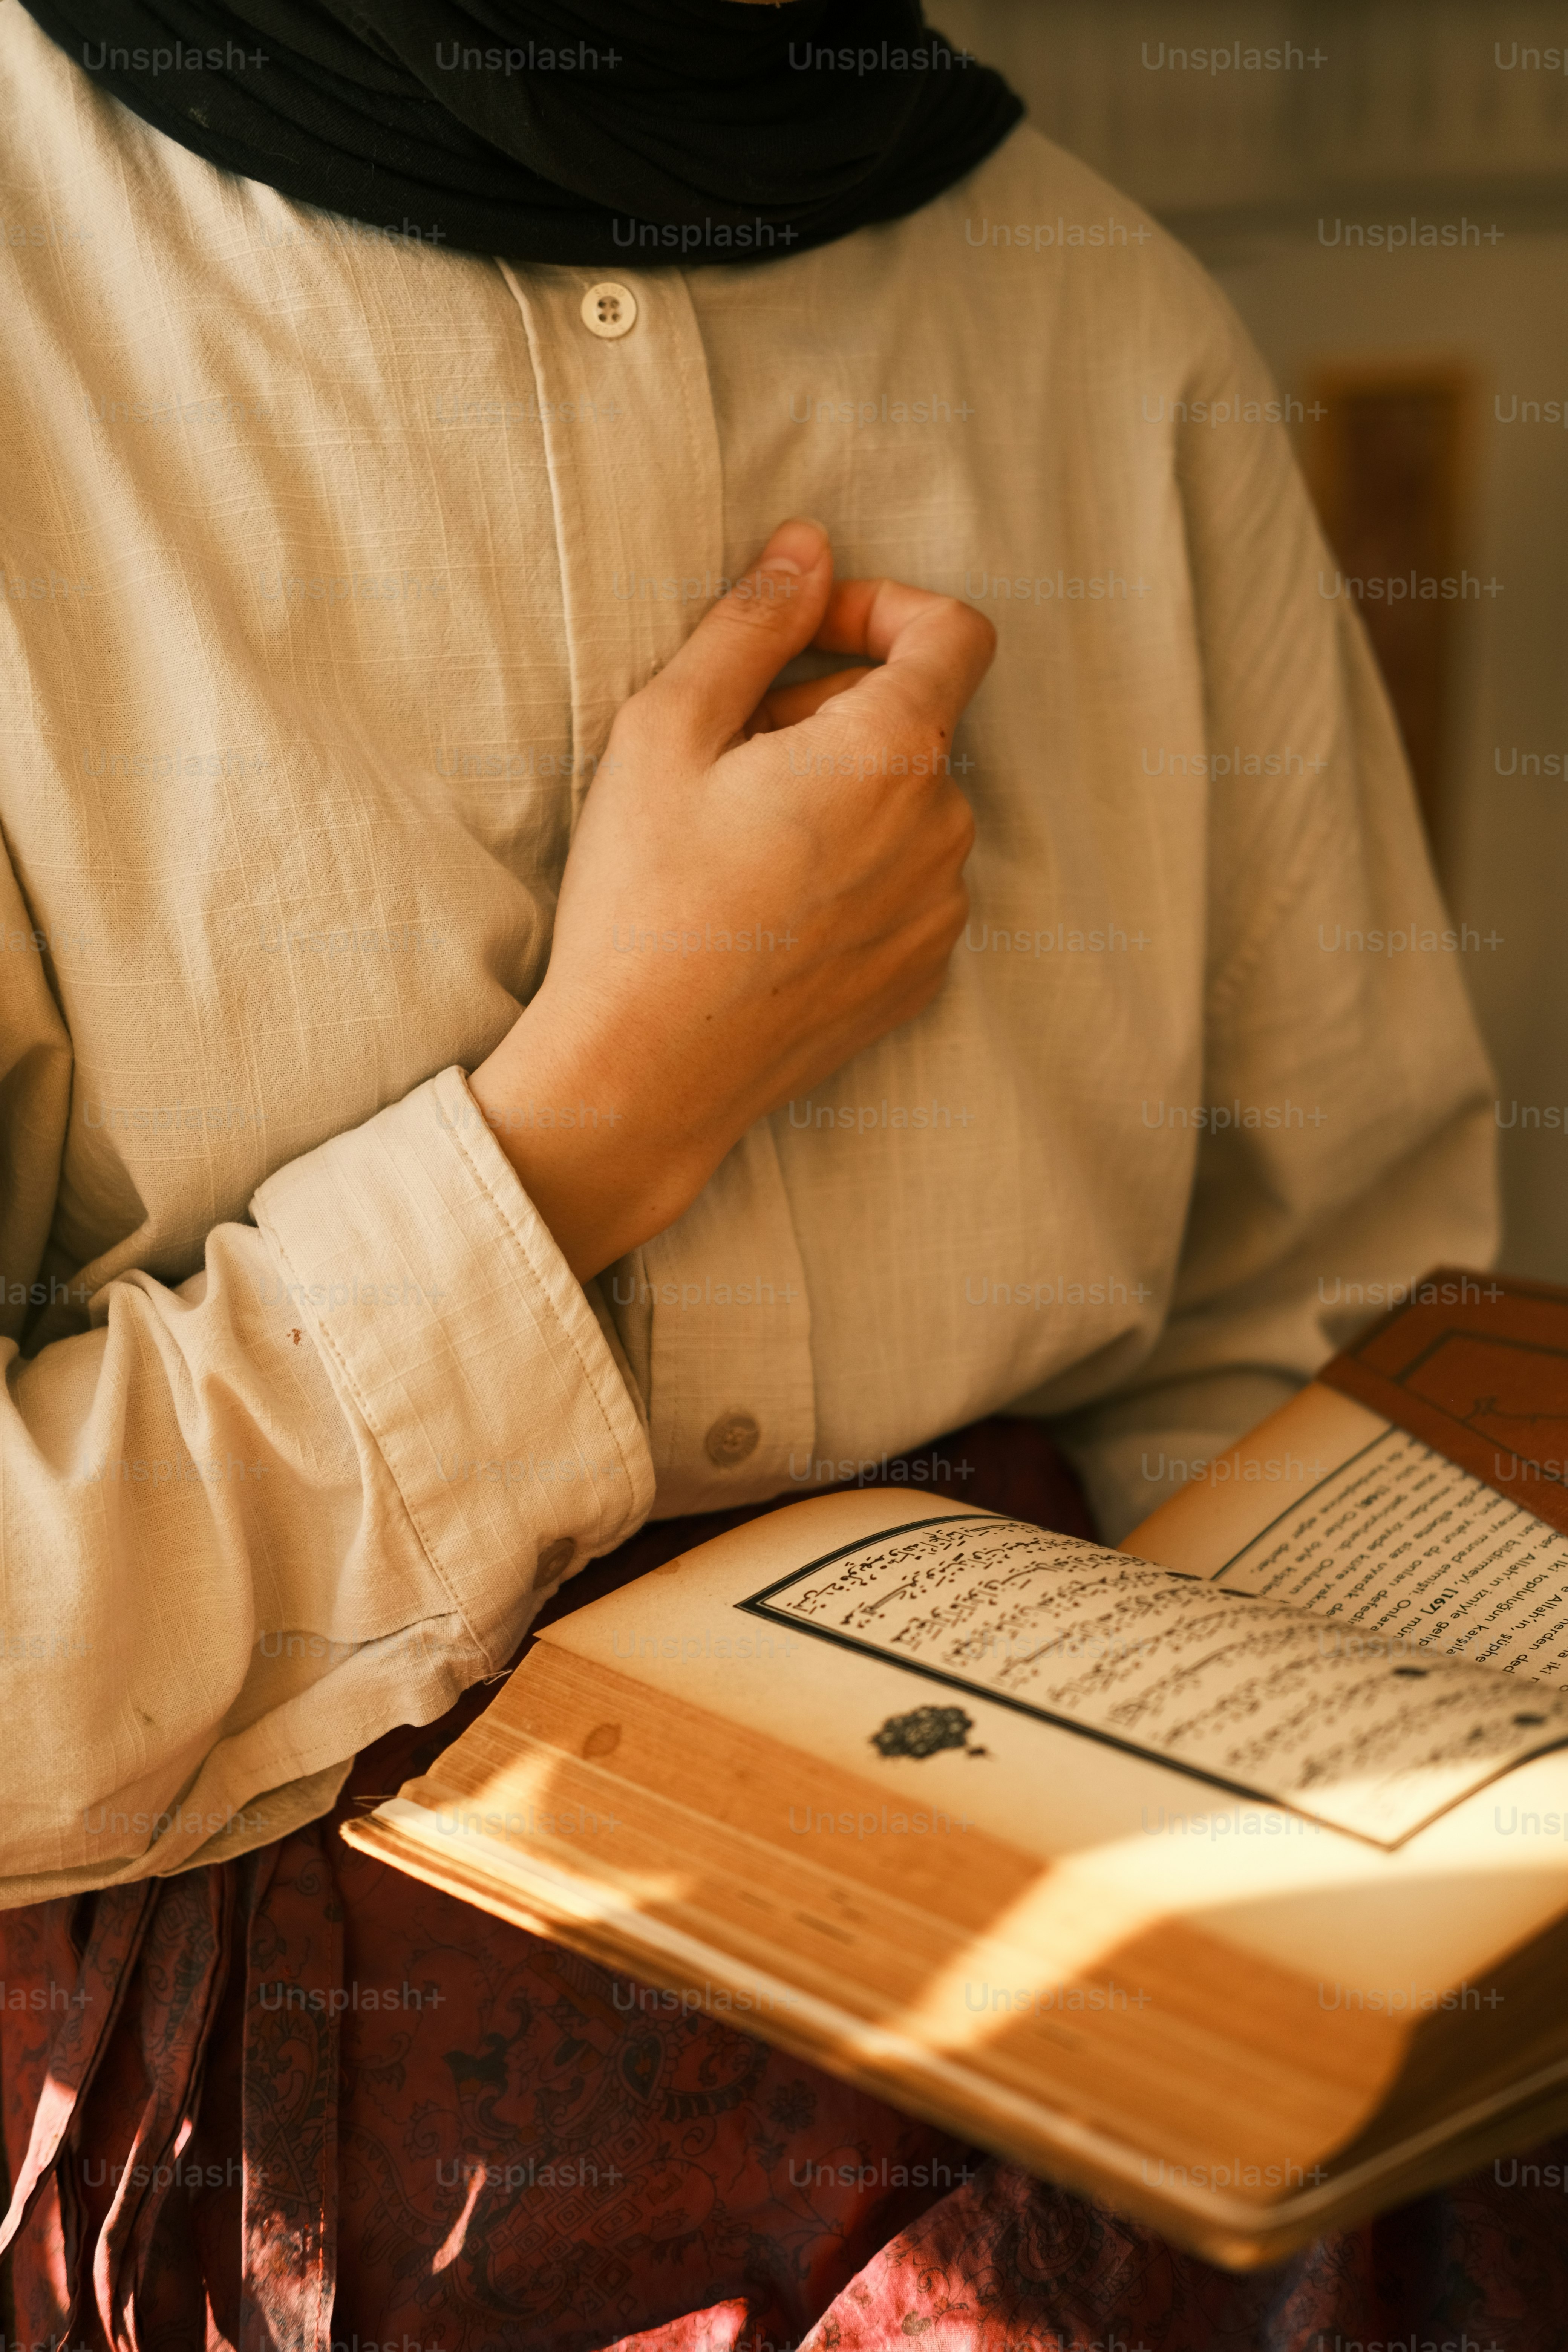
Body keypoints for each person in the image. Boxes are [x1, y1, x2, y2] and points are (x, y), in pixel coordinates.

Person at [1, 1, 1546, 2346]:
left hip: (1150, 2176)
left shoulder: (1100, 314)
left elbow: (1323, 1326)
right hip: (295, 2207)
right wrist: (593, 1126)